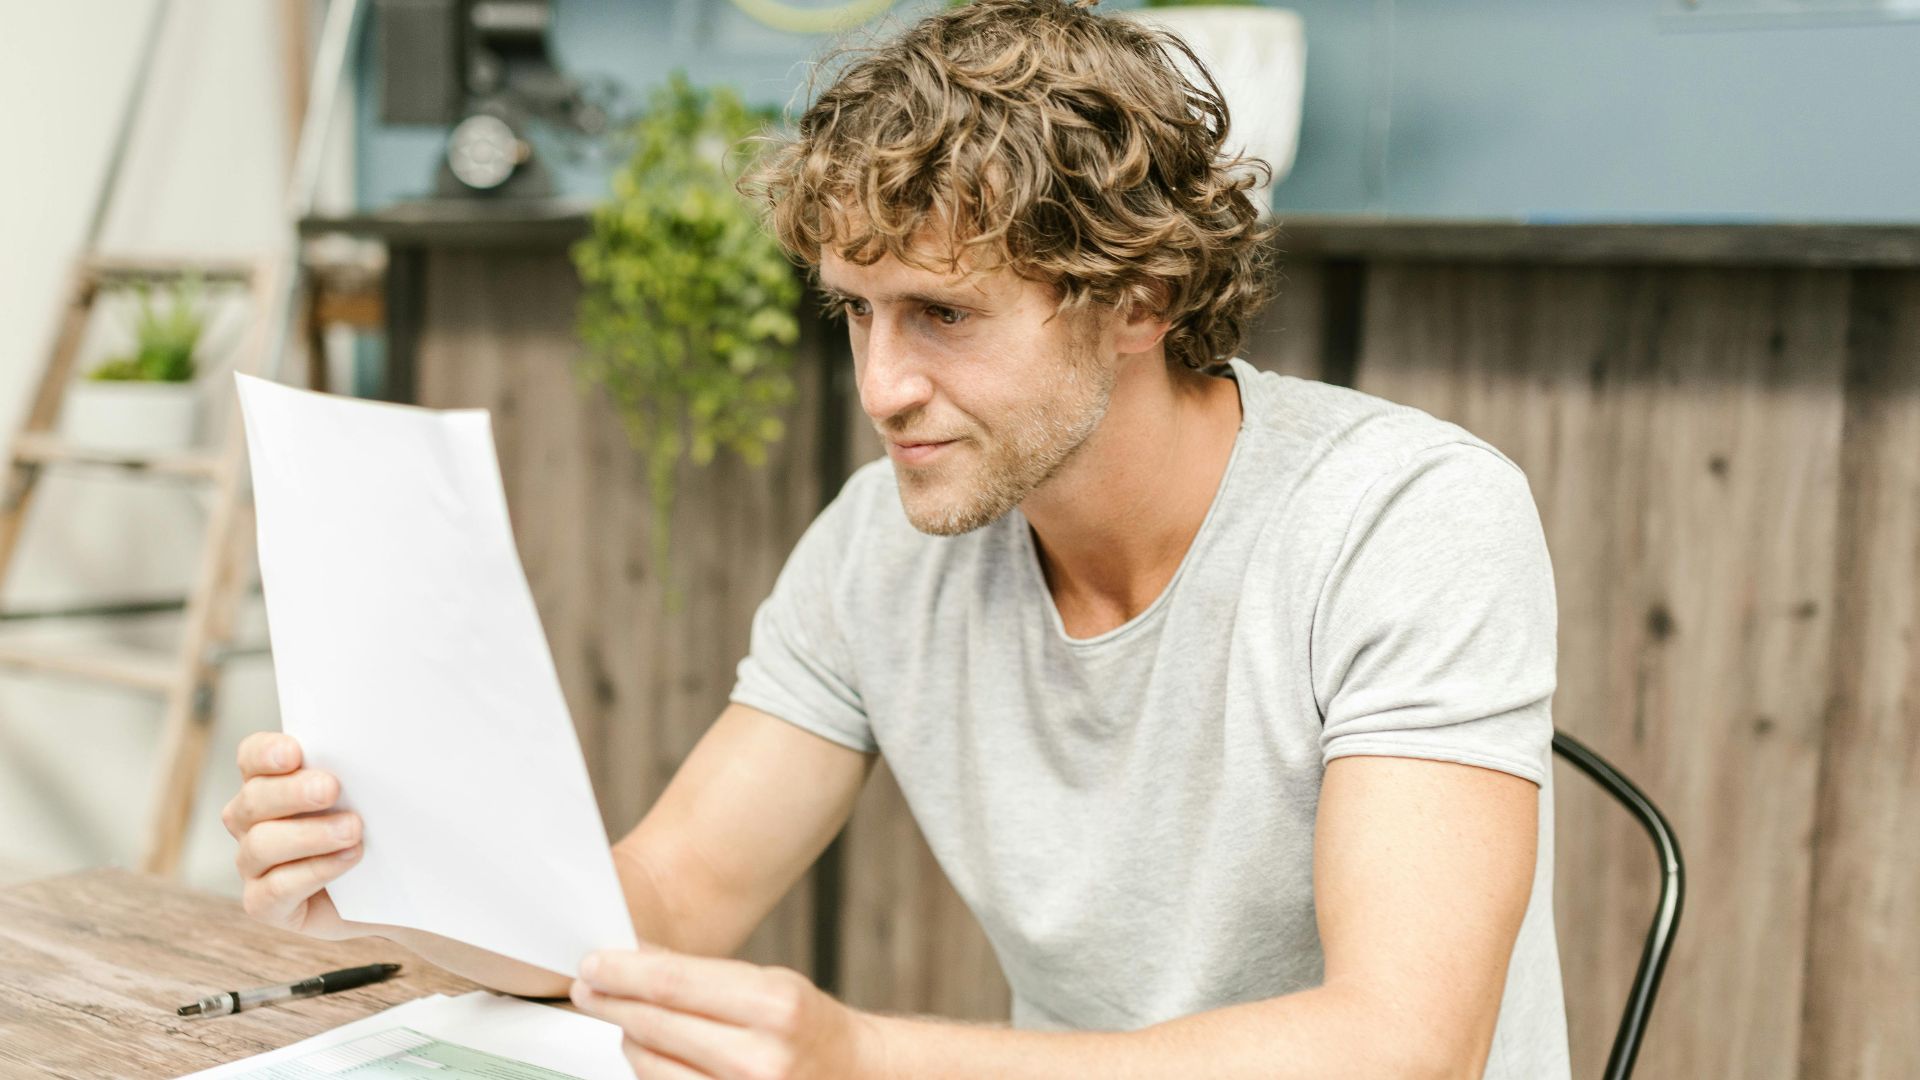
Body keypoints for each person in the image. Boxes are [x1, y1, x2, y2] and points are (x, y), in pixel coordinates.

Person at [222, 0, 1570, 1076]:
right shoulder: (888, 541)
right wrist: (399, 882)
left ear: (1139, 297)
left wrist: (865, 1059)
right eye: (856, 313)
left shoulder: (1408, 518)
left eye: (942, 314)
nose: (879, 387)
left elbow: (1403, 1046)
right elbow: (671, 897)